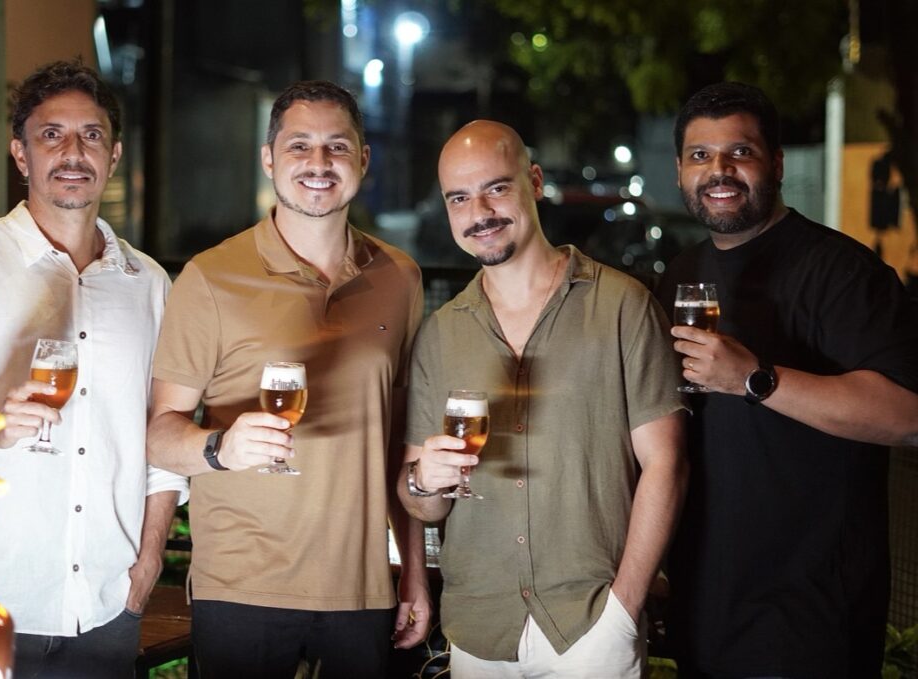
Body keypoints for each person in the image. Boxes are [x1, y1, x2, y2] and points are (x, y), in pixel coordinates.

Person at [0, 60, 188, 678]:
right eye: (51, 135)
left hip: (105, 608)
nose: (73, 152)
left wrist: (149, 561)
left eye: (91, 135)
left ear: (114, 155)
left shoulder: (150, 284)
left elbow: (163, 438)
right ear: (20, 155)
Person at [146, 80, 431, 678]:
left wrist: (413, 571)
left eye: (337, 146)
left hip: (361, 586)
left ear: (363, 160)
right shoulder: (210, 278)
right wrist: (220, 448)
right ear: (269, 159)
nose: (319, 163)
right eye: (299, 145)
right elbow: (159, 434)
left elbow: (398, 439)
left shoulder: (400, 277)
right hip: (241, 585)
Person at [398, 120, 687, 678]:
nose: (479, 211)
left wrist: (624, 608)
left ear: (533, 181)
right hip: (479, 627)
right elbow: (424, 506)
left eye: (496, 188)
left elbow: (667, 464)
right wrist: (422, 481)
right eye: (459, 198)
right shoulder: (440, 333)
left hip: (592, 624)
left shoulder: (623, 306)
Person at [657, 82, 918, 678]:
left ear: (775, 163)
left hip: (807, 619)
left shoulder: (843, 272)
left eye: (740, 152)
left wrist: (756, 380)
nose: (719, 170)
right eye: (700, 155)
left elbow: (908, 417)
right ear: (679, 172)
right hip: (704, 604)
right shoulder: (680, 273)